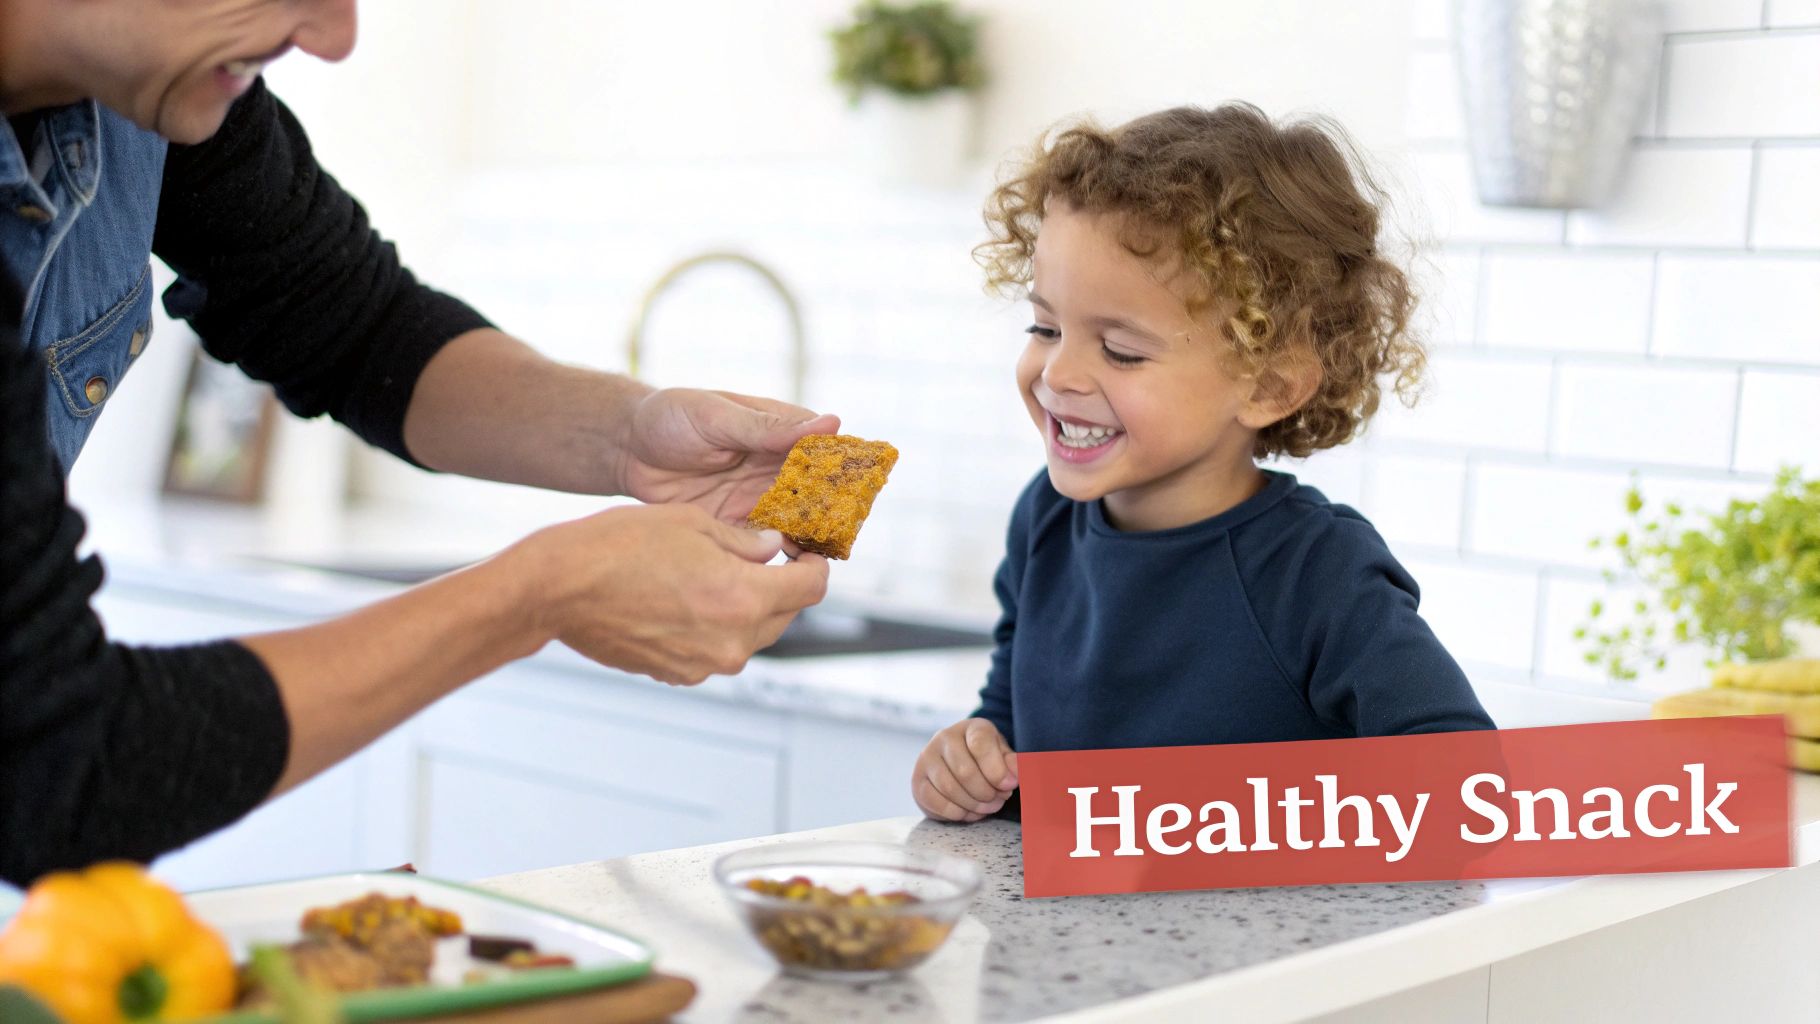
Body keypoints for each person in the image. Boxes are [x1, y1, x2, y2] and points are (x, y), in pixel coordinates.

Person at [0, 0, 832, 886]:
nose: (333, 37)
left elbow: (360, 328)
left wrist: (629, 436)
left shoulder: (146, 91)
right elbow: (66, 760)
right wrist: (543, 594)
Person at [911, 104, 1495, 824]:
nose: (1058, 373)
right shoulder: (1046, 520)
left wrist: (1206, 823)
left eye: (1121, 349)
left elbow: (1465, 782)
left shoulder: (1314, 570)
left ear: (1270, 384)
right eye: (1046, 327)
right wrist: (969, 763)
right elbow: (1008, 732)